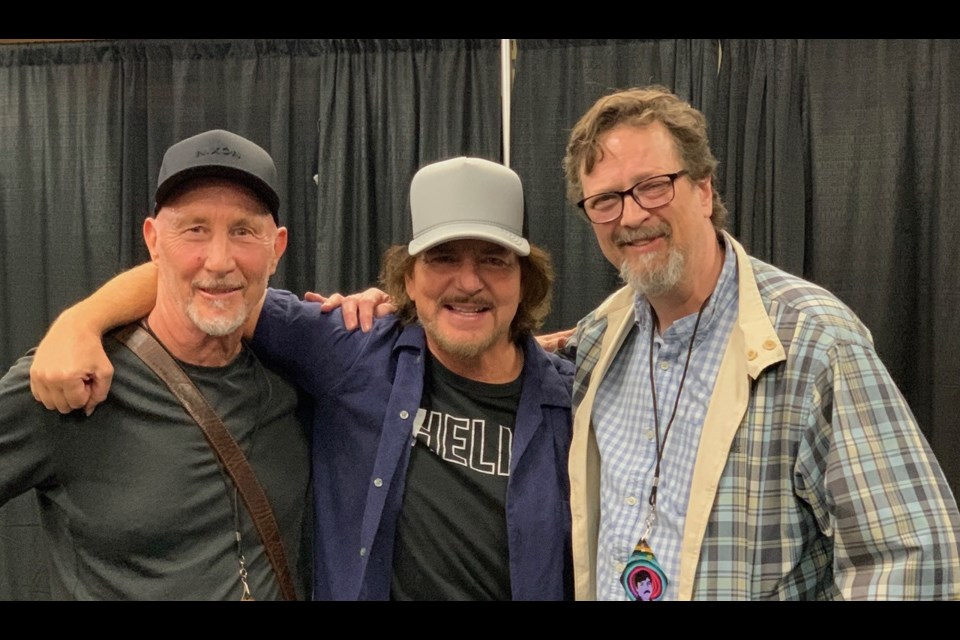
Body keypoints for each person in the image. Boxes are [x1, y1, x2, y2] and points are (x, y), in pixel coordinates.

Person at [29, 156, 575, 601]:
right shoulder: (351, 349)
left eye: (494, 259)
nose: (468, 281)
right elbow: (209, 280)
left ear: (525, 279)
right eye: (443, 257)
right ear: (409, 275)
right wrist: (83, 320)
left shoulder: (579, 402)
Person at [558, 85, 960, 600]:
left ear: (704, 189)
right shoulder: (598, 341)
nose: (631, 216)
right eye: (605, 200)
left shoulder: (815, 343)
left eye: (653, 186)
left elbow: (914, 564)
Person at [0, 129, 312, 600]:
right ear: (153, 240)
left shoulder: (297, 371)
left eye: (243, 231)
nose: (220, 260)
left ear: (277, 249)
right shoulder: (73, 380)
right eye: (194, 229)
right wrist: (79, 322)